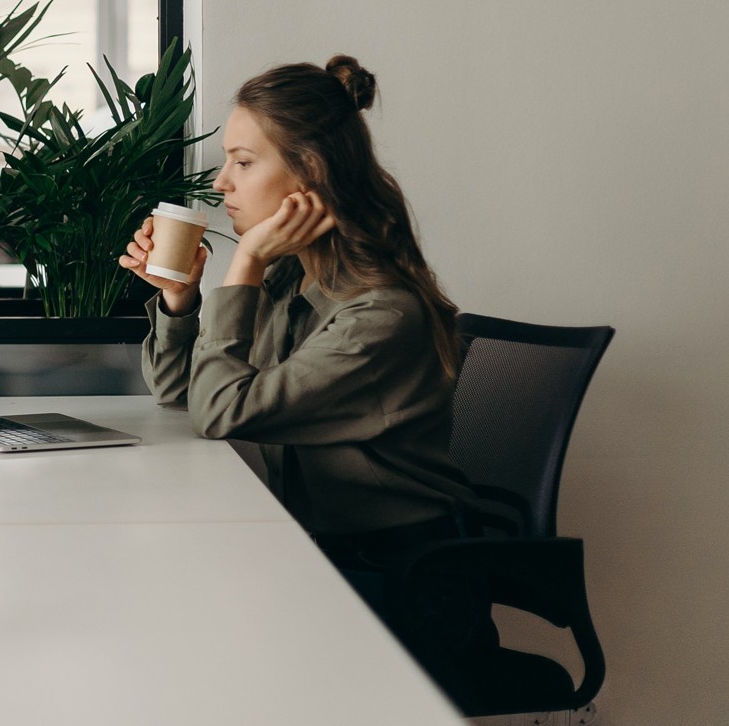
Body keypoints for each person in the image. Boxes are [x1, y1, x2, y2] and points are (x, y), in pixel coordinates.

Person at [120, 56, 482, 612]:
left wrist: (246, 263)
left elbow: (219, 414)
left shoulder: (380, 315)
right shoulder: (294, 278)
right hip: (322, 557)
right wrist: (180, 299)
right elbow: (182, 396)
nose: (221, 184)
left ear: (310, 170)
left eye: (243, 162)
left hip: (399, 585)